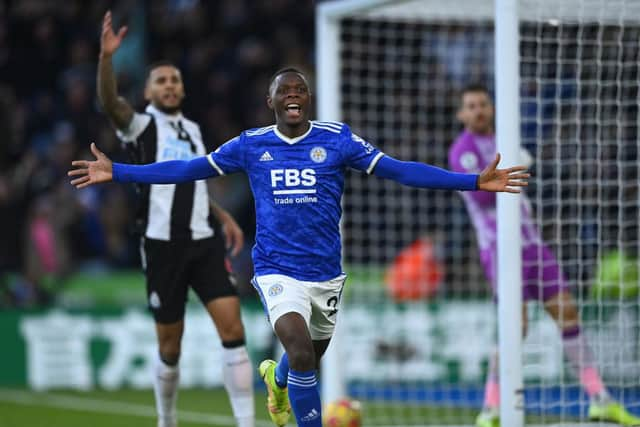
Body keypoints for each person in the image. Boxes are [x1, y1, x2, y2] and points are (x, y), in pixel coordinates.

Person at [69, 67, 528, 427]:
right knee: (303, 351)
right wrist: (122, 173)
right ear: (269, 101)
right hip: (275, 269)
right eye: (284, 90)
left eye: (300, 89)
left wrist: (473, 182)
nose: (293, 94)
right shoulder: (251, 145)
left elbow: (401, 169)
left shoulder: (337, 139)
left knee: (304, 359)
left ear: (307, 99)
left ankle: (277, 378)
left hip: (325, 273)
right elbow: (188, 170)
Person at [448, 83, 640, 427]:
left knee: (567, 312)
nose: (478, 110)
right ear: (462, 114)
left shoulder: (504, 140)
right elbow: (479, 198)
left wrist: (518, 164)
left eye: (482, 104)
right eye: (471, 106)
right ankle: (491, 408)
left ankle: (600, 398)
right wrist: (513, 168)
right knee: (514, 327)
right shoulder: (462, 151)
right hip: (499, 250)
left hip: (533, 245)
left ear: (491, 108)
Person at [96, 11, 254, 427]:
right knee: (171, 345)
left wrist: (221, 215)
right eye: (161, 80)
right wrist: (106, 60)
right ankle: (166, 420)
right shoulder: (142, 126)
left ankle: (246, 423)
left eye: (175, 80)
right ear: (147, 91)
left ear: (182, 88)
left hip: (204, 241)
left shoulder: (194, 129)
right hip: (162, 244)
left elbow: (192, 182)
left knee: (233, 328)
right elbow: (111, 103)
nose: (170, 85)